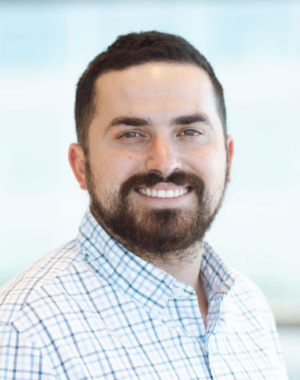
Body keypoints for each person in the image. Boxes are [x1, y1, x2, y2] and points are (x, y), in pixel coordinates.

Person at [0, 31, 287, 379]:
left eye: (190, 132)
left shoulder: (248, 307)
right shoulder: (24, 332)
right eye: (131, 135)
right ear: (82, 167)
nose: (164, 163)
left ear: (227, 158)